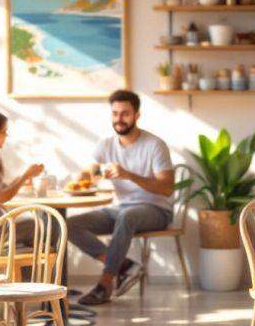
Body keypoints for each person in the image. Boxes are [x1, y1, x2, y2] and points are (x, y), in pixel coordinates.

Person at [67, 90, 175, 305]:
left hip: (156, 209)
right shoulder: (106, 144)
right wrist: (86, 176)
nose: (119, 119)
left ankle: (105, 283)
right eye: (115, 114)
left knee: (127, 216)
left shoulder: (155, 145)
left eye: (125, 114)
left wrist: (129, 175)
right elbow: (89, 170)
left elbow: (167, 188)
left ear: (137, 115)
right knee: (68, 224)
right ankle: (125, 266)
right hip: (121, 208)